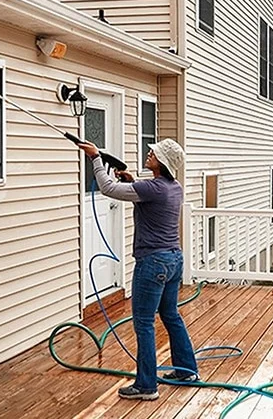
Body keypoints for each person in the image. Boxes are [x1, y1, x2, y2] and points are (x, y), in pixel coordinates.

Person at [77, 138, 199, 401]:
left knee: (144, 323)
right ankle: (187, 370)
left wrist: (95, 158)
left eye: (153, 153)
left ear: (162, 162)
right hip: (174, 260)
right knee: (170, 315)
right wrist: (132, 181)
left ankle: (146, 385)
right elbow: (148, 199)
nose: (149, 153)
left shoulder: (152, 188)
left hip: (153, 263)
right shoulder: (173, 187)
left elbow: (108, 188)